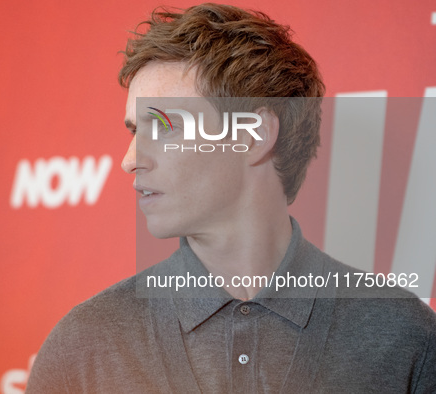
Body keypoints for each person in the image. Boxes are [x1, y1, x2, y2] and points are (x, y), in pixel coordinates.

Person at [26, 3, 436, 392]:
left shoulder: (406, 340)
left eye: (165, 126)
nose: (129, 161)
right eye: (135, 131)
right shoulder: (83, 347)